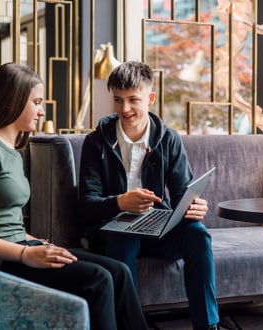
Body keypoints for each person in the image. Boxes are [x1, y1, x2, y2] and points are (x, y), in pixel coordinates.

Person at [0, 62, 148, 330]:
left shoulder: (13, 149)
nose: (41, 110)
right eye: (36, 102)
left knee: (118, 272)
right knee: (98, 279)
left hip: (19, 247)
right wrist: (24, 254)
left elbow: (4, 221)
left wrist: (37, 242)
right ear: (13, 100)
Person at [78, 61, 219, 330]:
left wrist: (194, 207)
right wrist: (121, 202)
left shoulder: (168, 139)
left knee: (198, 235)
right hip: (114, 226)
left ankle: (208, 325)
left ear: (150, 98)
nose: (124, 109)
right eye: (118, 100)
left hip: (159, 225)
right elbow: (86, 205)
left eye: (133, 100)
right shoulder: (96, 142)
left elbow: (181, 194)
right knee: (122, 246)